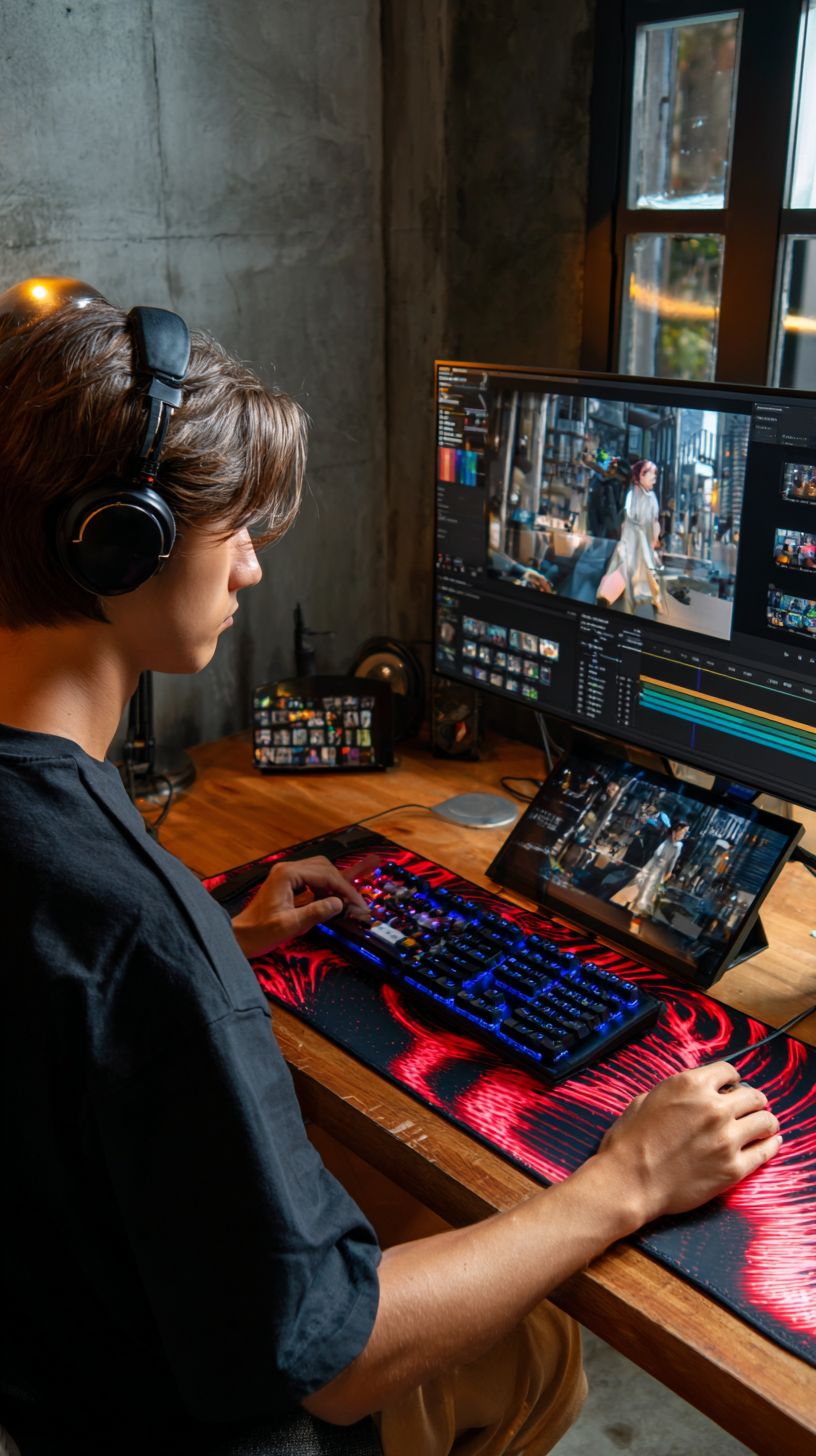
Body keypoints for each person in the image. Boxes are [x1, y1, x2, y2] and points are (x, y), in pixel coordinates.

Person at [0, 280, 783, 1456]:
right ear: (121, 545)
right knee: (543, 1342)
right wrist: (620, 1179)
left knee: (411, 1203)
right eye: (238, 531)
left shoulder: (78, 873)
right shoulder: (143, 935)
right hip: (219, 1427)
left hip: (69, 1368)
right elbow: (336, 1360)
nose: (254, 571)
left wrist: (226, 941)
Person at [596, 458, 665, 615]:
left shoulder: (644, 496)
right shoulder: (631, 494)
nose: (654, 478)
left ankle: (653, 600)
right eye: (651, 474)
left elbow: (650, 521)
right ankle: (607, 597)